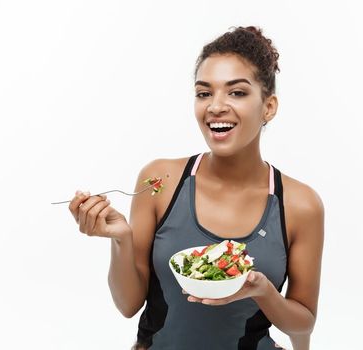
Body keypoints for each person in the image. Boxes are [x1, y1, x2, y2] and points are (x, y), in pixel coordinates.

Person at [66, 26, 324, 350]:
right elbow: (128, 305)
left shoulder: (300, 205)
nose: (216, 106)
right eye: (204, 93)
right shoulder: (160, 180)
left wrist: (264, 291)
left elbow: (304, 320)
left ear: (268, 107)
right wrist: (122, 239)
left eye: (237, 92)